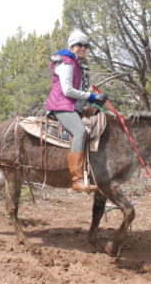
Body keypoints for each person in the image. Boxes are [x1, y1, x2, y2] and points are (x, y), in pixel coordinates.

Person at [45, 31, 107, 192]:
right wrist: (91, 96)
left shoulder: (78, 63)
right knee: (80, 132)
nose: (83, 48)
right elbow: (67, 91)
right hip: (62, 105)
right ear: (72, 46)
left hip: (73, 106)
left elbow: (78, 91)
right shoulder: (66, 63)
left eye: (85, 45)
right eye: (79, 45)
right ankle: (77, 180)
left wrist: (93, 100)